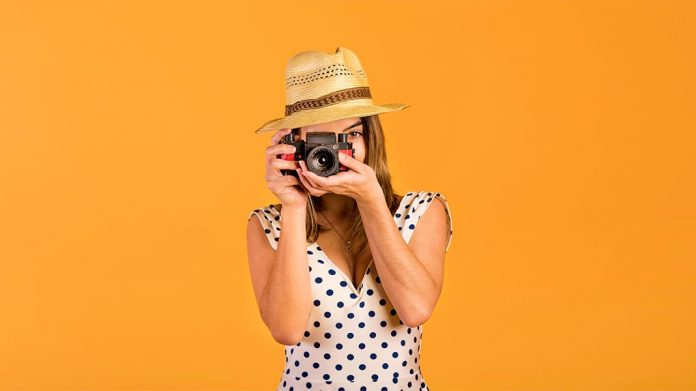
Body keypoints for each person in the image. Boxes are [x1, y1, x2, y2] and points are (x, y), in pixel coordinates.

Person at [247, 46, 453, 390]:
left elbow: (415, 309)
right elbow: (286, 330)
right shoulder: (269, 224)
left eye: (350, 136)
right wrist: (294, 207)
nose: (333, 152)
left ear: (372, 140)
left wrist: (372, 200)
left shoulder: (421, 210)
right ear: (293, 145)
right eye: (319, 140)